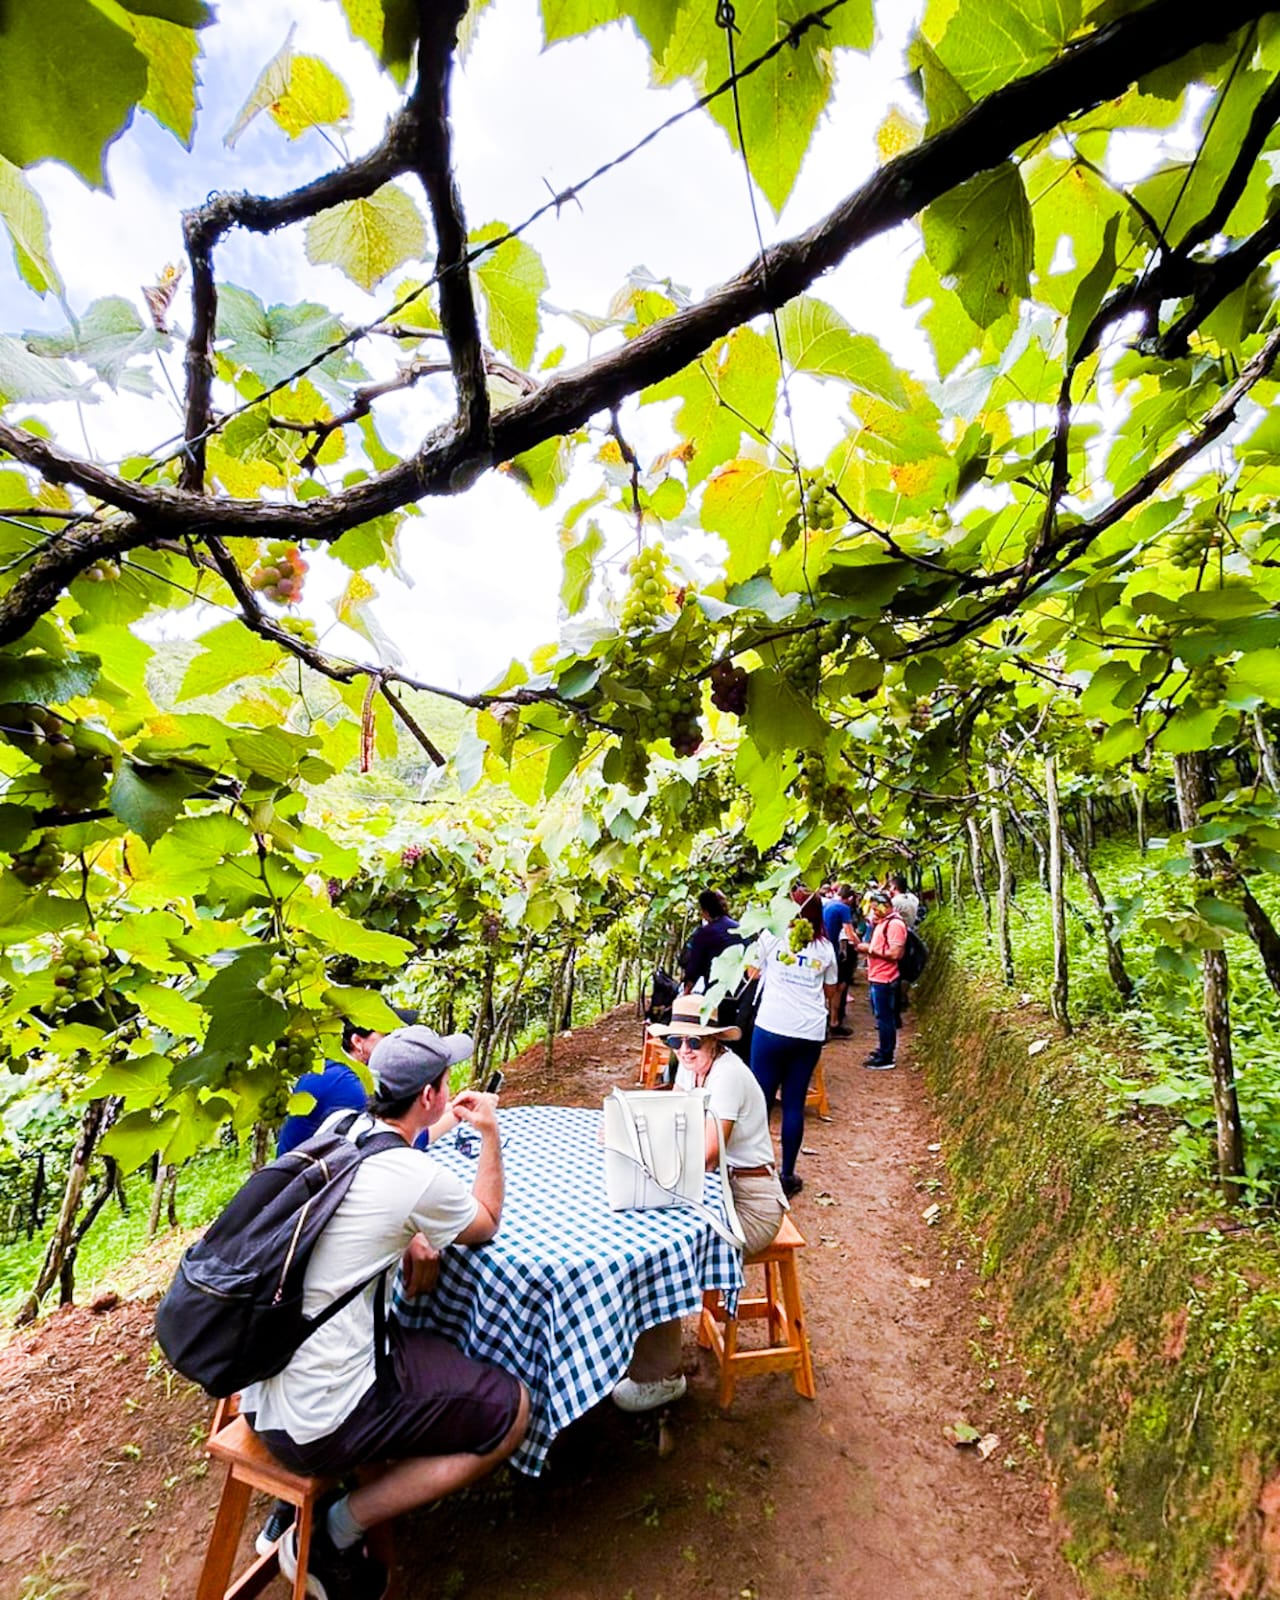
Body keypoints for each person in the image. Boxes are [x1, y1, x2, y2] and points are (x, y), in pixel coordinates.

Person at [242, 1025, 529, 1600]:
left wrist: (405, 1240)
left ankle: (331, 1510)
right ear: (430, 1097)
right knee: (512, 1412)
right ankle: (335, 1530)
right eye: (445, 1079)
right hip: (321, 1418)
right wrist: (491, 1132)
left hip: (261, 1390)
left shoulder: (339, 1128)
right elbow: (486, 1220)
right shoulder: (410, 1175)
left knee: (427, 1347)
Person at [612, 994, 787, 1413]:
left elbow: (707, 1152)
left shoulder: (726, 1076)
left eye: (695, 1042)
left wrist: (634, 1149)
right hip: (717, 1191)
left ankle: (663, 1375)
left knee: (663, 1254)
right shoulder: (693, 1072)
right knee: (647, 1227)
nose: (685, 1050)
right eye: (678, 1042)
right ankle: (647, 1356)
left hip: (751, 1202)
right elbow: (673, 1117)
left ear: (715, 1043)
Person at [746, 893, 838, 1198]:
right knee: (793, 1104)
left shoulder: (771, 937)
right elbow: (831, 989)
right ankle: (787, 1174)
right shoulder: (825, 948)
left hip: (771, 1025)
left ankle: (752, 1169)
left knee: (759, 1102)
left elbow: (752, 972)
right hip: (808, 1032)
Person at [276, 1008, 418, 1156]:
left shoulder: (331, 1068)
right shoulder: (344, 1084)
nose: (395, 1043)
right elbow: (402, 1139)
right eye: (387, 1035)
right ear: (357, 1041)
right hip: (308, 1177)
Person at [854, 891, 908, 1069]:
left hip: (885, 978)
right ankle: (884, 1049)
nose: (874, 912)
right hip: (878, 975)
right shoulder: (883, 922)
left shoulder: (894, 925)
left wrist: (869, 949)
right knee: (881, 1016)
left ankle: (887, 1056)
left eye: (877, 909)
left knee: (885, 1018)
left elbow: (895, 953)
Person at [679, 889, 742, 997]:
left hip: (717, 991)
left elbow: (694, 968)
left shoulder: (704, 934)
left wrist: (686, 991)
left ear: (705, 912)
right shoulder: (741, 928)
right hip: (742, 990)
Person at [821, 883, 857, 1034]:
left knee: (826, 985)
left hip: (821, 947)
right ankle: (833, 1022)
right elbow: (850, 934)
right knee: (838, 987)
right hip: (832, 951)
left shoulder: (828, 904)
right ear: (849, 898)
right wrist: (862, 946)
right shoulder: (843, 908)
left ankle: (827, 1022)